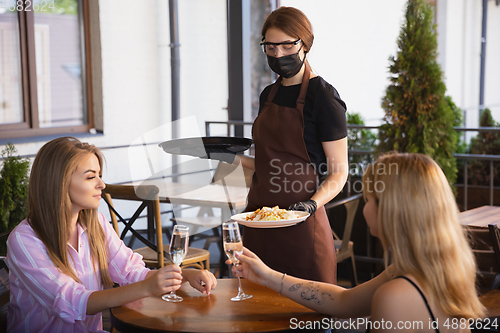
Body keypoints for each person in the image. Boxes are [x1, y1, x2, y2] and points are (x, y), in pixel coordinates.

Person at [232, 153, 485, 332]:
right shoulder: (437, 270)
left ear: (392, 211)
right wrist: (268, 276)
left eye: (368, 199)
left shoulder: (396, 296)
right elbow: (344, 301)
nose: (365, 209)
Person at [6, 137, 217, 333]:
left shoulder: (95, 223)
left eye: (100, 175)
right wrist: (146, 287)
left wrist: (183, 277)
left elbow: (132, 273)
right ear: (58, 182)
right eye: (90, 177)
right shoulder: (25, 241)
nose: (102, 184)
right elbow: (73, 301)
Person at [227, 6, 348, 285]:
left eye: (286, 45)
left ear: (304, 44)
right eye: (270, 47)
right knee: (256, 313)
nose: (278, 54)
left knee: (306, 320)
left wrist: (310, 205)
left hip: (301, 226)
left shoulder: (325, 100)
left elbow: (339, 172)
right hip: (258, 222)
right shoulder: (268, 94)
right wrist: (226, 157)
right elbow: (265, 166)